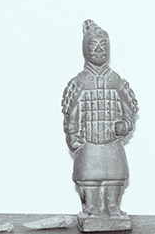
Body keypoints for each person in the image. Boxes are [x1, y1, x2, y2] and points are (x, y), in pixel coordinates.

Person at [62, 19, 138, 231]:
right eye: (93, 45)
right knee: (89, 178)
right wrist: (74, 137)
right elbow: (71, 114)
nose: (98, 50)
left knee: (115, 176)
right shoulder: (78, 83)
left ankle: (113, 209)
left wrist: (125, 124)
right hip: (88, 144)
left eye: (103, 45)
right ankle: (92, 210)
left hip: (112, 143)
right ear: (84, 49)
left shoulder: (117, 82)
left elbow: (130, 109)